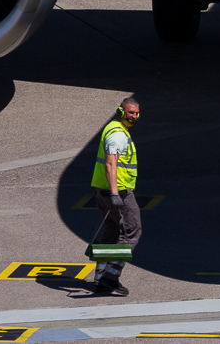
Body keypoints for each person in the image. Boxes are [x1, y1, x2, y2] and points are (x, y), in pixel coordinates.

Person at [89, 96, 142, 297]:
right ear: (121, 112)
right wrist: (114, 194)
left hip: (103, 189)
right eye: (130, 112)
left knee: (112, 231)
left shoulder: (112, 128)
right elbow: (111, 164)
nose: (134, 116)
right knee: (132, 231)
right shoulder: (117, 135)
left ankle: (100, 277)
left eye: (136, 113)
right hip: (117, 191)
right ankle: (110, 278)